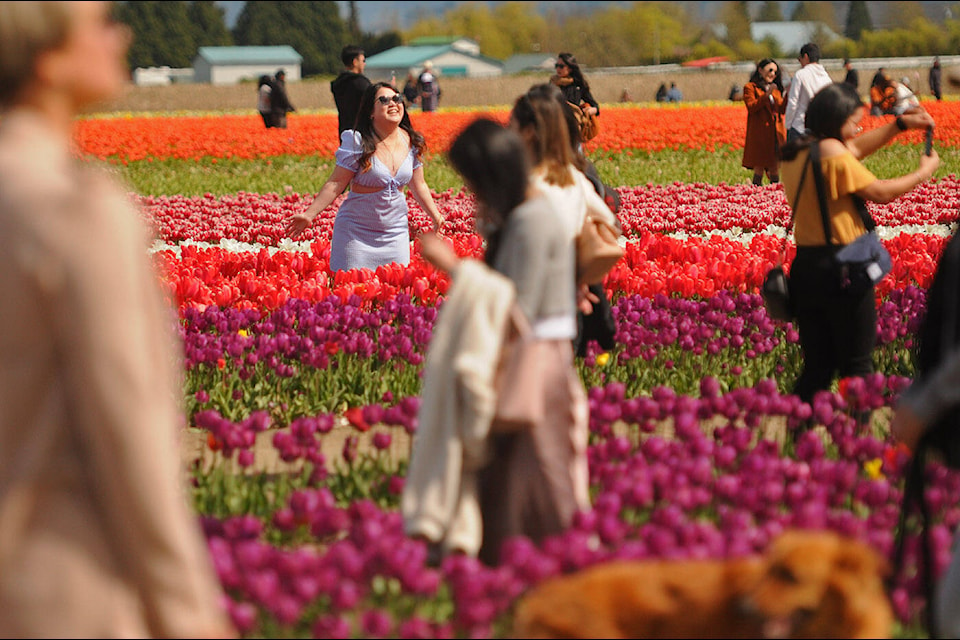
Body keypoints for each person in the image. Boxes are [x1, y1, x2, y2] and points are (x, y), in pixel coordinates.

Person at [0, 2, 235, 637]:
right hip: (67, 588)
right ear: (47, 59)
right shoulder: (74, 211)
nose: (121, 35)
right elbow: (130, 439)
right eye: (101, 21)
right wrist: (191, 616)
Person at [779, 82, 938, 407]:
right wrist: (924, 173)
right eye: (854, 121)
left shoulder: (797, 152)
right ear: (836, 121)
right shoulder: (834, 154)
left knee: (818, 367)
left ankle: (797, 438)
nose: (859, 128)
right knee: (858, 366)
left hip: (806, 267)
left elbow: (851, 150)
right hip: (843, 267)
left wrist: (899, 125)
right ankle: (859, 442)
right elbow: (880, 192)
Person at [283, 82, 443, 271]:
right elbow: (336, 182)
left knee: (394, 293)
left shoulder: (412, 141)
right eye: (383, 100)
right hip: (355, 233)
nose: (393, 103)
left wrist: (436, 216)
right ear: (371, 111)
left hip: (395, 234)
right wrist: (309, 215)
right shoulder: (357, 141)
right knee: (352, 293)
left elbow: (419, 185)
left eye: (397, 98)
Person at [742, 58, 787, 186]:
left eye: (775, 72)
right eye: (770, 70)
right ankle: (757, 193)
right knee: (759, 165)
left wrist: (789, 94)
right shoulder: (750, 88)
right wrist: (766, 95)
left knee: (774, 165)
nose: (773, 74)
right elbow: (751, 106)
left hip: (775, 133)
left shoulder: (776, 90)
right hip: (760, 133)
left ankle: (774, 195)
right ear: (760, 70)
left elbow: (781, 110)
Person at [784, 43, 832, 143]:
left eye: (799, 59)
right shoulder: (826, 77)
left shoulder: (801, 74)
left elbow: (793, 102)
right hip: (818, 129)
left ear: (805, 57)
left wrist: (788, 125)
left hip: (799, 127)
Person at [331, 44, 371, 136]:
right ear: (355, 62)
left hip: (344, 130)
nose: (364, 64)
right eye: (363, 60)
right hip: (362, 132)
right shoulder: (361, 83)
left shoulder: (338, 83)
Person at [551, 52, 599, 118]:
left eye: (561, 66)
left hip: (573, 122)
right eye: (557, 66)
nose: (558, 69)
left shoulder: (578, 84)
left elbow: (594, 105)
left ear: (570, 68)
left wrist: (592, 110)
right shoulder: (552, 84)